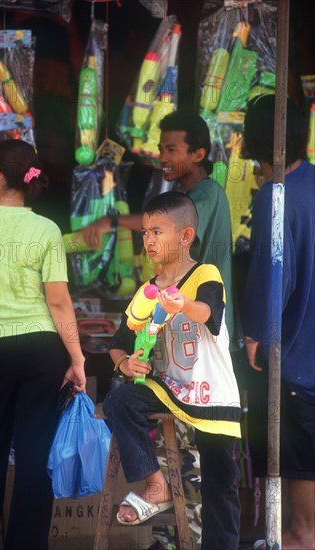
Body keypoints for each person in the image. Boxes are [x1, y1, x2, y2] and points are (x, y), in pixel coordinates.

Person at [0, 139, 86, 550]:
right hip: (42, 349)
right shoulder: (46, 229)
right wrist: (76, 357)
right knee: (33, 456)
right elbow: (58, 301)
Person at [103, 191, 241, 550]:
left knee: (219, 485)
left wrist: (183, 303)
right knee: (119, 401)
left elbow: (208, 313)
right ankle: (156, 485)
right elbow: (118, 341)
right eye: (146, 231)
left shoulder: (205, 274)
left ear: (185, 237)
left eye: (158, 232)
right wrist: (124, 362)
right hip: (166, 390)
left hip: (210, 395)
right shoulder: (147, 291)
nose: (148, 239)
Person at [81, 110, 240, 349]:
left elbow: (166, 225)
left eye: (171, 150)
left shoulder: (206, 193)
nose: (162, 157)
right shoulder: (193, 194)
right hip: (189, 321)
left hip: (207, 324)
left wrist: (112, 222)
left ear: (198, 154)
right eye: (161, 149)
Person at [242, 95, 315, 550]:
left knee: (299, 527)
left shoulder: (277, 195)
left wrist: (256, 333)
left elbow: (274, 272)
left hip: (294, 367)